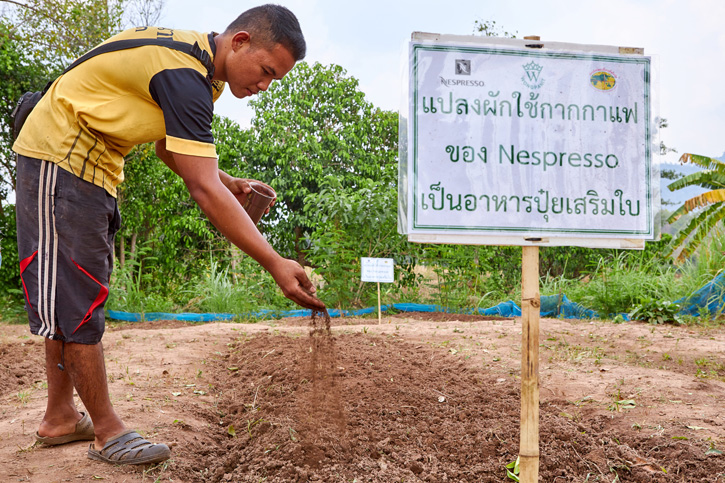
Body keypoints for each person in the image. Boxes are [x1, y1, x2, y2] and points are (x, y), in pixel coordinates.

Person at [13, 4, 325, 466]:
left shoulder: (204, 74)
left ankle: (60, 417)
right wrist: (275, 261)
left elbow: (169, 146)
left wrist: (229, 182)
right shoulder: (183, 72)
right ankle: (108, 431)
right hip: (60, 157)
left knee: (70, 290)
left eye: (273, 80)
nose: (263, 86)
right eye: (264, 71)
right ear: (240, 41)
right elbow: (201, 187)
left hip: (91, 166)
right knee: (78, 292)